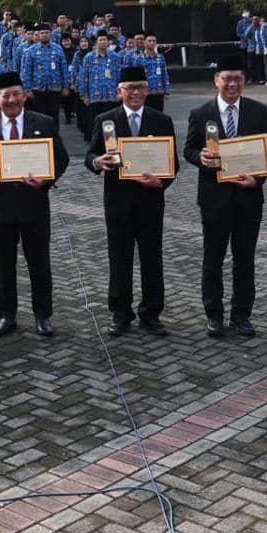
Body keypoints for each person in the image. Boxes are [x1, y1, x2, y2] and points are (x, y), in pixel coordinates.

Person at [0, 71, 70, 337]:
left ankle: (43, 316)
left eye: (16, 94)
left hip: (34, 206)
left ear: (25, 96)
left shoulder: (44, 123)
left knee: (39, 264)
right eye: (5, 96)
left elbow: (61, 158)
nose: (11, 100)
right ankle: (6, 315)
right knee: (3, 265)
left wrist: (46, 180)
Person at [85, 66, 177, 336]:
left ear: (148, 91)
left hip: (150, 200)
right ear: (119, 92)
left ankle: (151, 313)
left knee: (152, 259)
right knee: (119, 259)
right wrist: (97, 162)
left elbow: (173, 163)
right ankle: (120, 313)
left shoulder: (161, 121)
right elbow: (91, 153)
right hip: (118, 201)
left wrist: (162, 182)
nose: (135, 93)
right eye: (130, 88)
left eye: (140, 88)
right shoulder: (106, 120)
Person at [184, 55, 267, 337]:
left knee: (244, 259)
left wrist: (258, 179)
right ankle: (214, 314)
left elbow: (265, 152)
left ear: (244, 81)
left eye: (238, 79)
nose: (232, 84)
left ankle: (241, 315)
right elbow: (188, 149)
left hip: (248, 198)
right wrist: (200, 157)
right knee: (213, 258)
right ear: (216, 80)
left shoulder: (257, 111)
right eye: (227, 79)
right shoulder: (200, 113)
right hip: (214, 199)